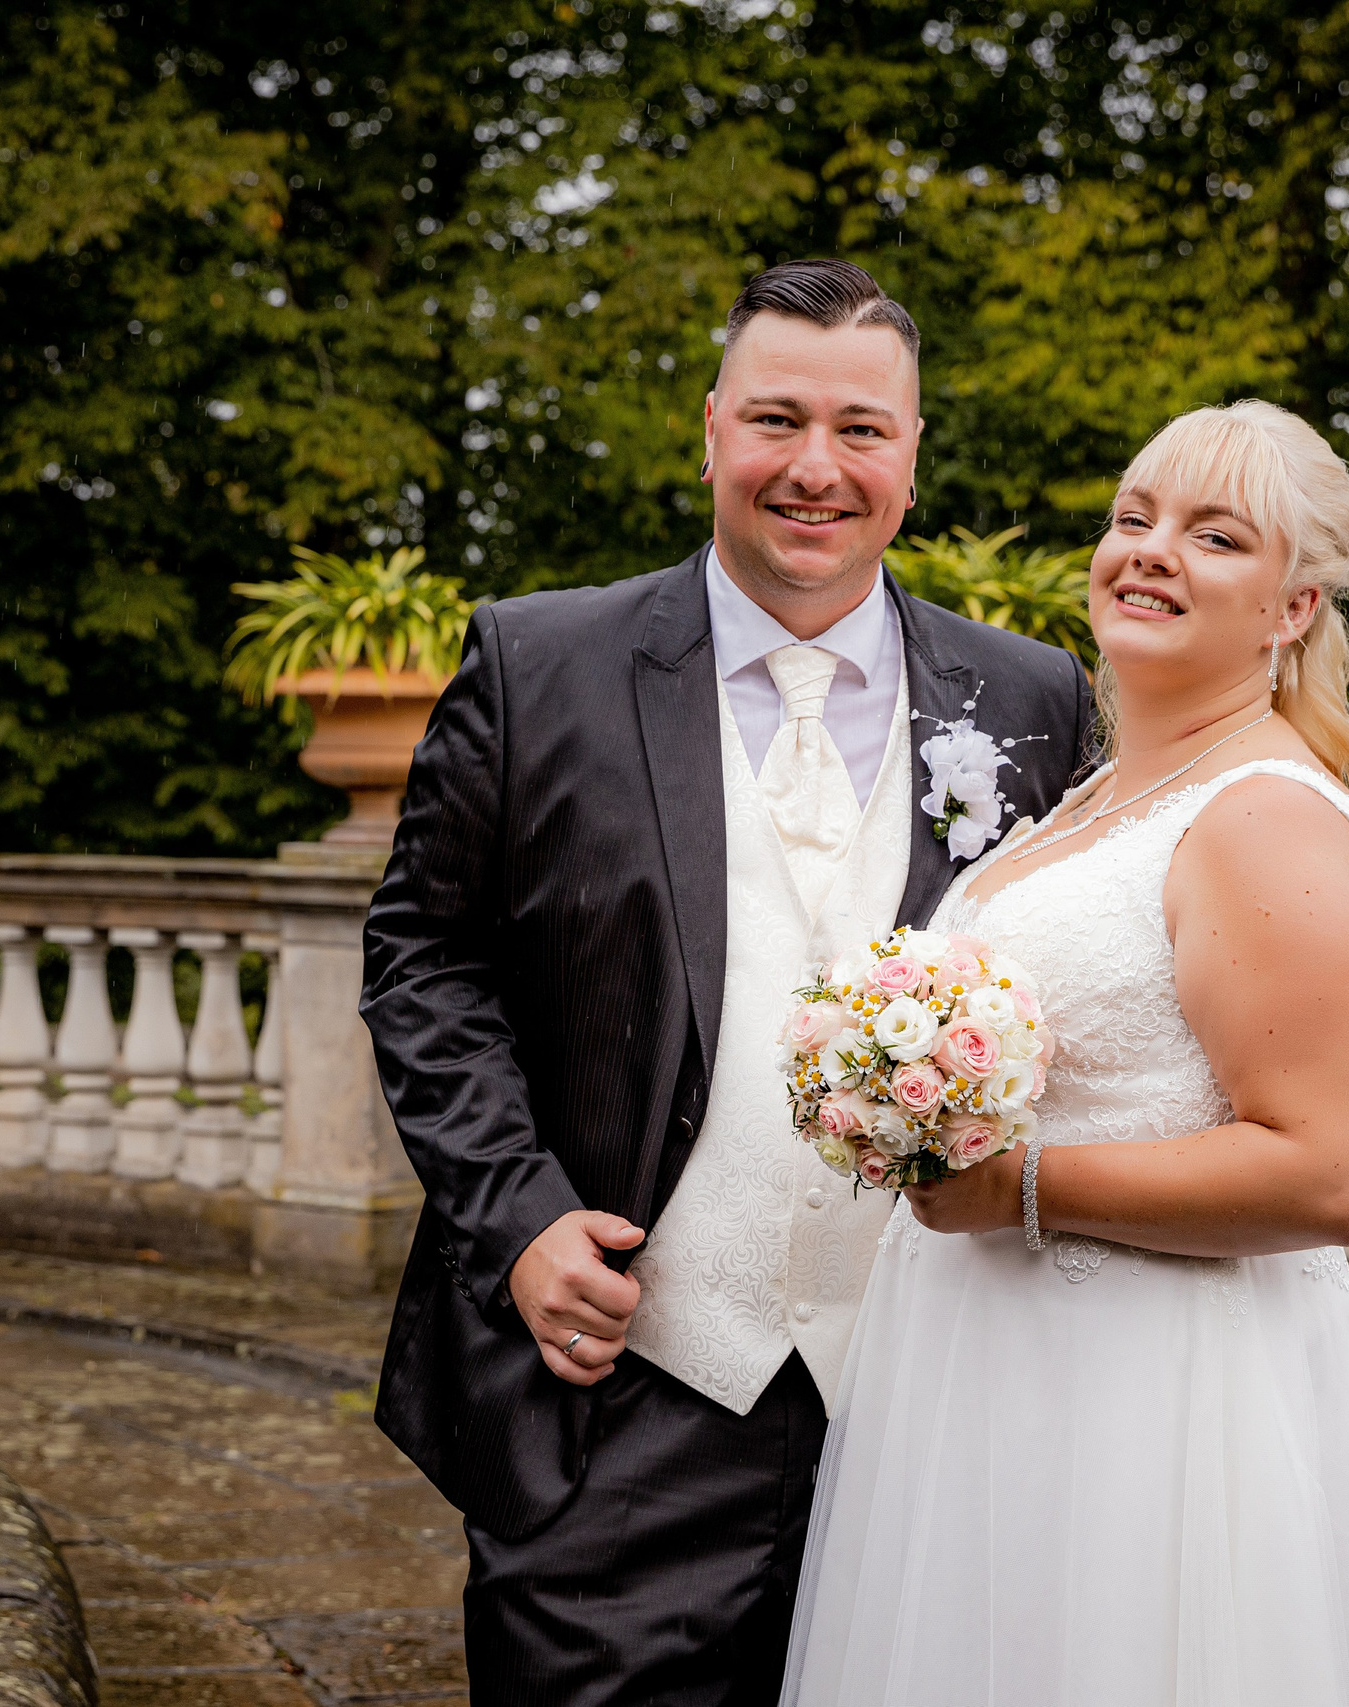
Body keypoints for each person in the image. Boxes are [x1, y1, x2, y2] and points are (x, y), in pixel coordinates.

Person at [361, 258, 1100, 1705]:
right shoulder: (537, 661)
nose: (814, 468)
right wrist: (517, 1220)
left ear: (912, 456)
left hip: (931, 1408)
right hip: (616, 1401)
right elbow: (425, 960)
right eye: (775, 420)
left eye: (860, 430)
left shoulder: (1030, 702)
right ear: (710, 431)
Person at [779, 399, 1349, 1706]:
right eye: (1135, 518)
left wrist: (1018, 1188)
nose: (1150, 550)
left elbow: (1330, 1175)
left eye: (1216, 535)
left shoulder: (1264, 818)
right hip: (1002, 1382)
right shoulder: (1110, 794)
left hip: (1155, 1409)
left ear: (1292, 608)